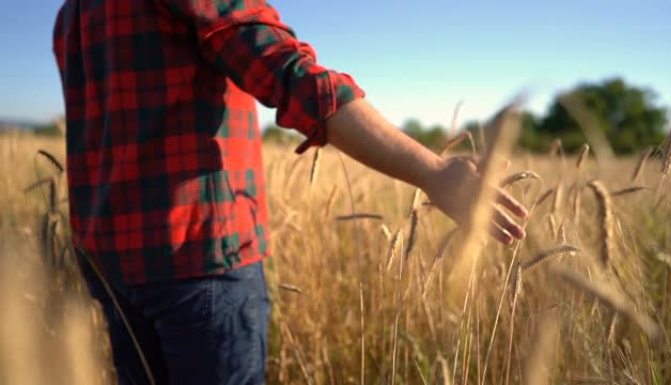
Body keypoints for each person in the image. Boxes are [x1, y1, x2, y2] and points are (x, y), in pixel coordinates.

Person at [53, 1, 527, 384]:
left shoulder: (73, 14)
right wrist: (435, 171)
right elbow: (293, 75)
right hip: (198, 261)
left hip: (109, 260)